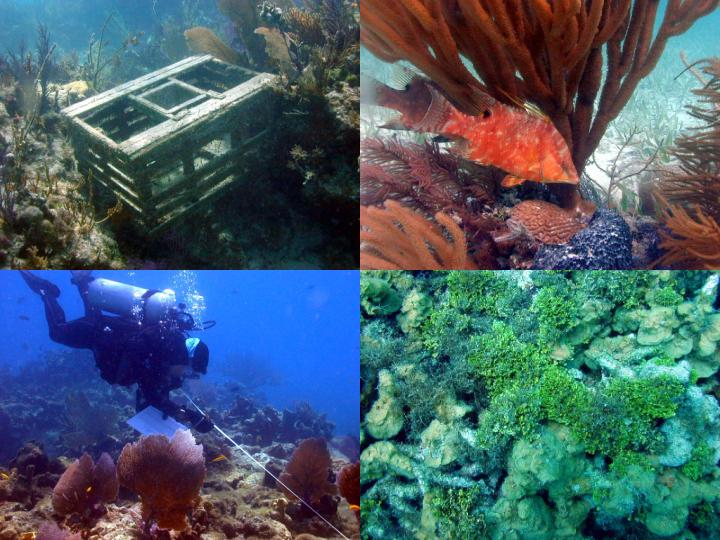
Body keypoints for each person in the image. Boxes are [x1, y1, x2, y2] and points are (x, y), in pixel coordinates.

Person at [19, 270, 214, 433]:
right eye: (188, 370)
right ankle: (46, 291)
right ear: (182, 358)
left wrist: (191, 417)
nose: (186, 376)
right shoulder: (156, 354)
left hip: (103, 337)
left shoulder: (162, 354)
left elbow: (153, 398)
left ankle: (84, 282)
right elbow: (152, 399)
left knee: (93, 313)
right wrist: (189, 416)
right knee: (58, 332)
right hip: (97, 333)